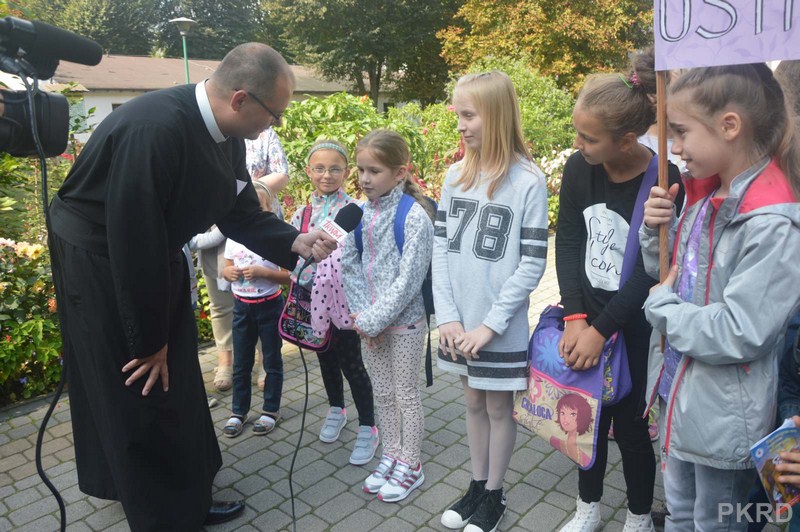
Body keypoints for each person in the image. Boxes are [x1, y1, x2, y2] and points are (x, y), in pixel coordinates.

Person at [46, 43, 336, 531]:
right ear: (240, 99)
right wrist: (149, 339)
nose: (276, 125)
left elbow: (238, 210)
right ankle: (165, 514)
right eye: (275, 114)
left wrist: (294, 241)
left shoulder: (227, 134)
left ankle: (186, 490)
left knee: (175, 370)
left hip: (149, 253)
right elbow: (133, 243)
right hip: (103, 263)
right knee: (144, 379)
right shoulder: (154, 130)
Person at [641, 63, 800, 531]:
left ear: (729, 125)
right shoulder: (706, 196)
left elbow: (741, 330)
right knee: (681, 514)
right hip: (682, 395)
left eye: (681, 131)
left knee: (715, 522)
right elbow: (672, 277)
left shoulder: (770, 223)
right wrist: (656, 233)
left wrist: (663, 311)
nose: (674, 147)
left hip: (723, 415)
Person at [555, 49, 684, 532]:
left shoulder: (664, 180)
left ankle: (638, 515)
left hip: (634, 328)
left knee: (630, 430)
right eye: (578, 133)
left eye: (589, 138)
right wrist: (575, 318)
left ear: (627, 139)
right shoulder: (579, 168)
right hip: (585, 318)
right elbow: (568, 240)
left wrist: (602, 330)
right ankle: (587, 507)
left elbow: (653, 271)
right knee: (584, 421)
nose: (579, 144)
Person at [435, 71, 549, 532]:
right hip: (459, 325)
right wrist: (447, 317)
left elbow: (532, 263)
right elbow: (440, 251)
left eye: (469, 115)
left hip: (497, 328)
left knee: (500, 408)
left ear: (496, 116)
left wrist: (490, 326)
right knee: (473, 403)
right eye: (458, 115)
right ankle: (477, 485)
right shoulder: (454, 176)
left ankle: (495, 494)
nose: (460, 125)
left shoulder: (528, 181)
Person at [341, 129, 434, 503]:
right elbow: (349, 265)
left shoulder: (414, 218)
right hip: (369, 325)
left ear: (399, 172)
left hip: (405, 324)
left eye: (374, 171)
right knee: (381, 393)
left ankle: (411, 463)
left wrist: (373, 321)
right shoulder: (357, 214)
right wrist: (363, 318)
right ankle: (391, 455)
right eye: (361, 170)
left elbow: (410, 279)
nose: (364, 179)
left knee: (405, 394)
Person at [289, 139, 378, 465]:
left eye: (335, 169)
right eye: (320, 168)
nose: (327, 175)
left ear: (347, 172)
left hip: (345, 306)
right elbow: (291, 258)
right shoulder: (302, 214)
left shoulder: (356, 211)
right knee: (325, 359)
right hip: (312, 303)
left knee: (352, 364)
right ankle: (336, 409)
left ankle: (368, 425)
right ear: (308, 171)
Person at [221, 182, 290, 437]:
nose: (254, 212)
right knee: (242, 362)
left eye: (259, 207)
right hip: (242, 308)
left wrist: (264, 273)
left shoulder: (275, 238)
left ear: (270, 208)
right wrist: (228, 273)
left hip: (269, 306)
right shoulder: (233, 238)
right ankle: (238, 411)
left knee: (271, 360)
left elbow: (288, 276)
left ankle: (271, 409)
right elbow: (226, 269)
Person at [189, 225, 235, 392]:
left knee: (257, 306)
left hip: (249, 245)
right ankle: (225, 361)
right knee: (220, 308)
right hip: (211, 249)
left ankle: (265, 361)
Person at [550, 394, 594, 468]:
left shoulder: (585, 456)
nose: (565, 418)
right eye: (562, 413)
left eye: (572, 414)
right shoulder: (554, 440)